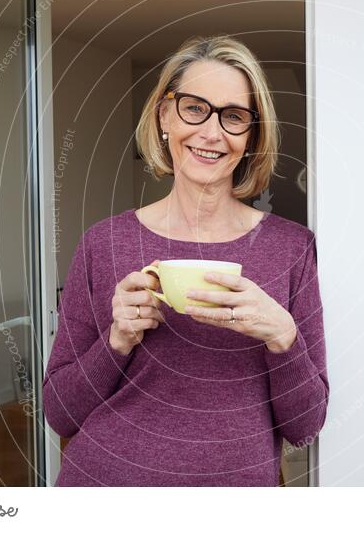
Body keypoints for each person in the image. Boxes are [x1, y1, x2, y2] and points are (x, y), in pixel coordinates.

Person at [42, 35, 328, 486]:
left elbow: (305, 425)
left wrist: (282, 335)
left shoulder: (292, 249)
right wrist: (117, 340)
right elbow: (60, 413)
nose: (211, 132)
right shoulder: (104, 244)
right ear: (164, 116)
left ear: (251, 136)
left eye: (233, 117)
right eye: (195, 108)